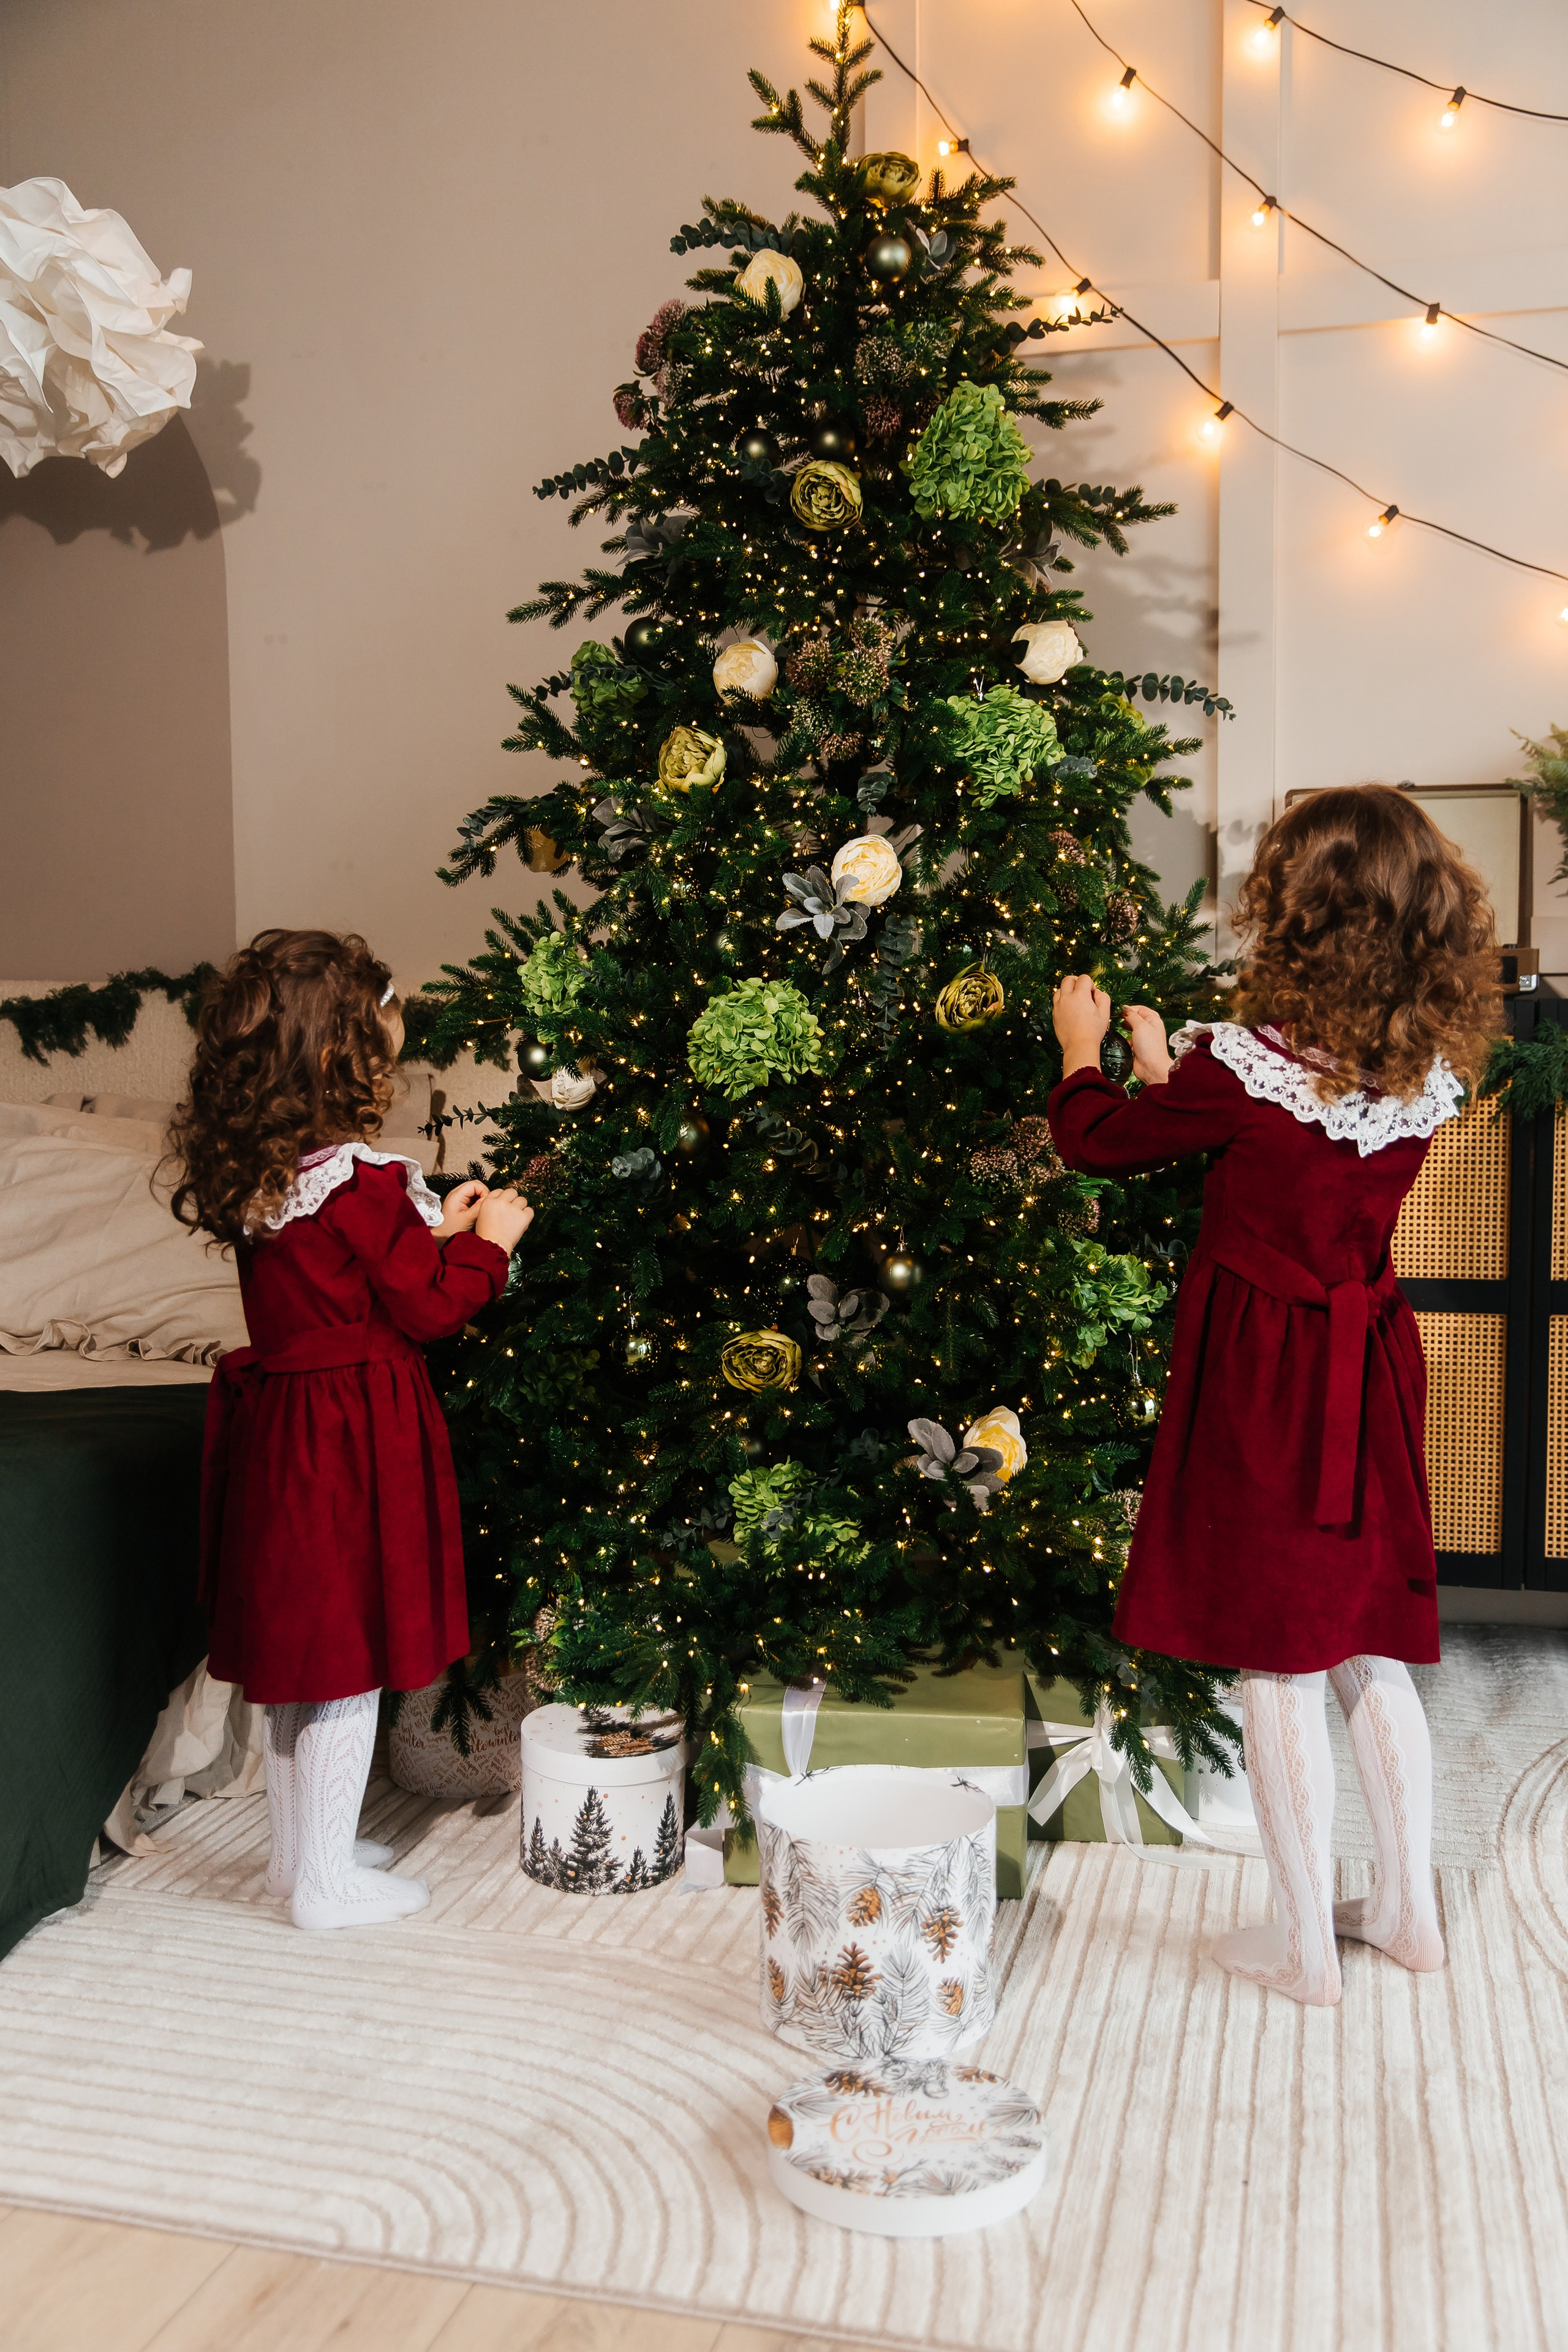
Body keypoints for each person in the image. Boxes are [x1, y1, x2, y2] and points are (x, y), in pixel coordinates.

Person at [1048, 787, 1499, 2005]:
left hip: (1266, 1370)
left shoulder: (1249, 1071)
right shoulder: (1422, 1063)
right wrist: (1172, 1068)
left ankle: (1303, 1945)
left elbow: (1103, 1142)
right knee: (1360, 1648)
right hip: (1365, 1356)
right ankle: (1404, 1910)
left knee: (1274, 1665)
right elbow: (1263, 1131)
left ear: (1297, 914)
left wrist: (1082, 1056)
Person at [168, 929, 532, 1931]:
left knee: (302, 1656)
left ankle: (299, 1857)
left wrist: (438, 1228)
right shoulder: (364, 1180)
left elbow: (349, 1277)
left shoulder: (272, 1174)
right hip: (353, 1436)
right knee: (346, 1663)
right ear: (346, 1051)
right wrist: (489, 1248)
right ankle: (326, 1887)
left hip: (288, 1432)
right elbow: (423, 1310)